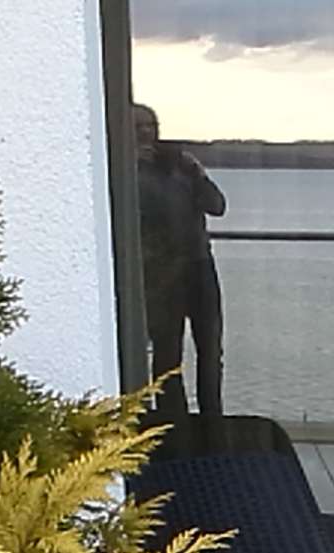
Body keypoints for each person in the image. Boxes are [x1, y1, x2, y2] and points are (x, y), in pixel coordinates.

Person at [134, 103, 226, 417]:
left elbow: (217, 205)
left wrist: (195, 173)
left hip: (198, 267)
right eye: (139, 127)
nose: (147, 133)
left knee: (210, 351)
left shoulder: (180, 168)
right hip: (160, 272)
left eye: (151, 126)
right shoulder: (125, 172)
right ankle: (174, 422)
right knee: (167, 355)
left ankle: (212, 419)